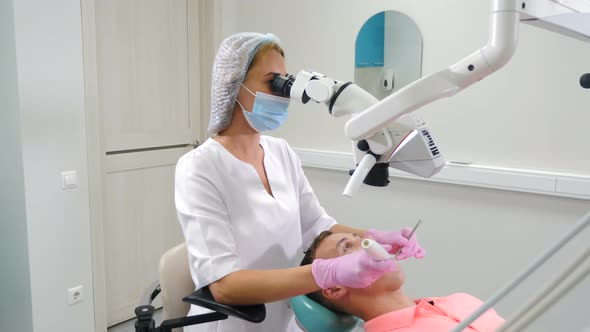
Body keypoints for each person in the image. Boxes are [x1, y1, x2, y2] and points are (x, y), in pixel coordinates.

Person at [174, 32, 425, 332]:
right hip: (229, 325)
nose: (284, 94)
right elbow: (224, 286)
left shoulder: (281, 152)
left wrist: (375, 237)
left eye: (286, 82)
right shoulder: (200, 167)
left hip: (283, 320)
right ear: (234, 85)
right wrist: (327, 272)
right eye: (272, 82)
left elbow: (317, 226)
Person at [300, 231, 505, 332]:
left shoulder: (460, 300)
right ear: (335, 287)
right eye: (347, 247)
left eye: (362, 238)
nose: (373, 244)